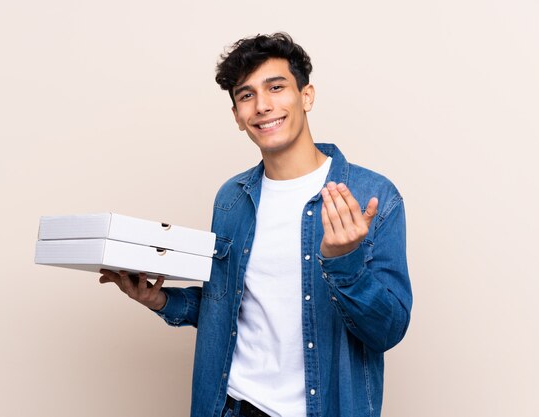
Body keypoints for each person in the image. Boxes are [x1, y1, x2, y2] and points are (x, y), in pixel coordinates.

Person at [99, 32, 412, 417]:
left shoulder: (373, 197)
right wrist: (160, 299)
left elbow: (388, 331)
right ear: (237, 116)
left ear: (306, 96)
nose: (263, 106)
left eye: (276, 87)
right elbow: (229, 307)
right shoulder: (232, 199)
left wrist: (344, 265)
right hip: (232, 407)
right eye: (247, 95)